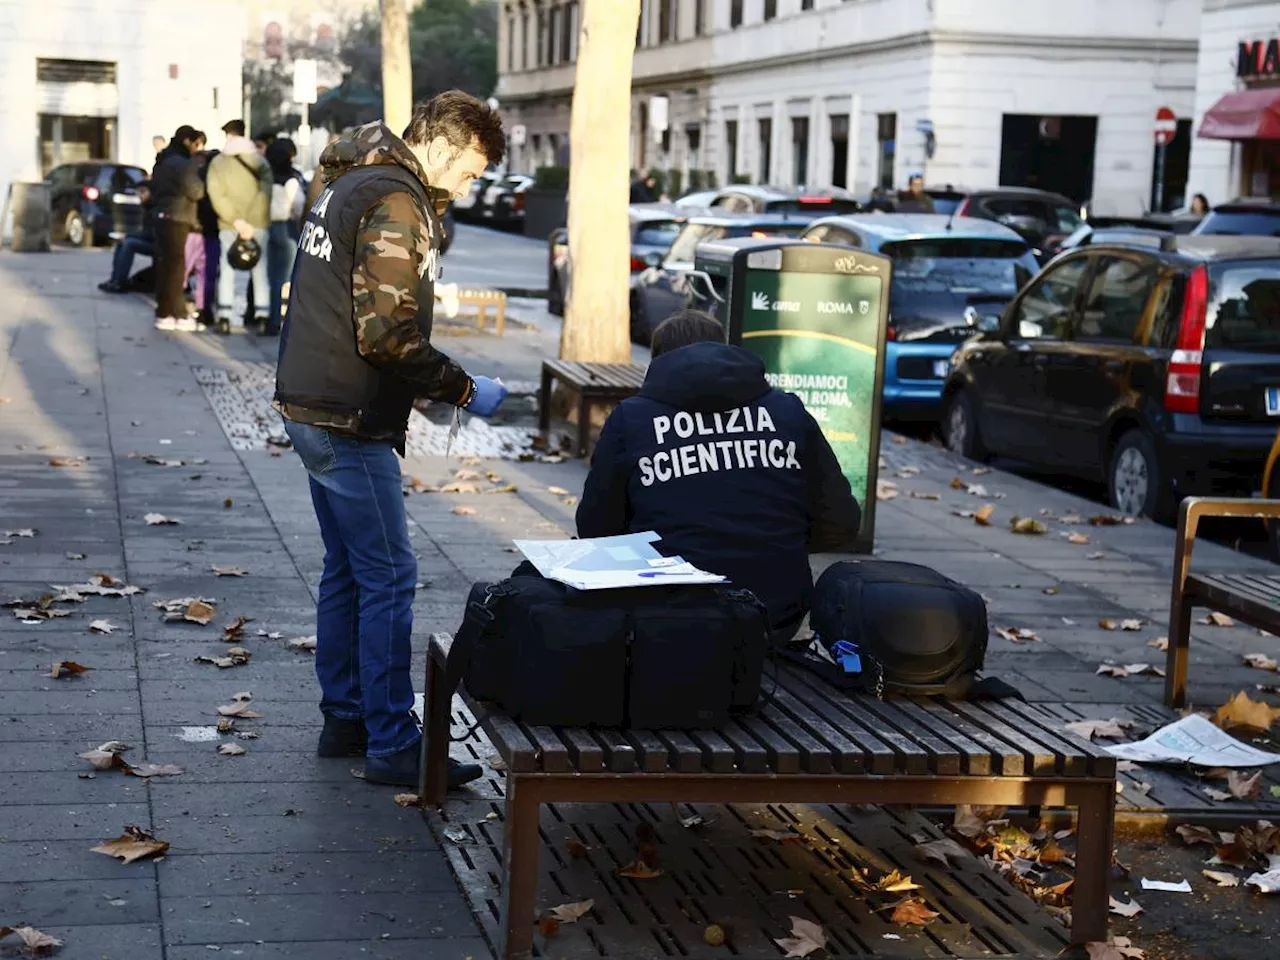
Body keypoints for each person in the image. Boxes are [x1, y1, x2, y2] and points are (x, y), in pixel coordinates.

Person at [274, 90, 509, 788]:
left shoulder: (349, 180)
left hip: (312, 401)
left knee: (348, 568)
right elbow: (386, 335)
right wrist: (466, 390)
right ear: (444, 142)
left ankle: (345, 718)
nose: (469, 185)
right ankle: (391, 740)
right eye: (471, 168)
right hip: (349, 415)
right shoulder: (397, 201)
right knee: (389, 575)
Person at [576, 310, 862, 642]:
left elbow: (595, 528)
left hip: (663, 617)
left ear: (658, 362)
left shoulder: (631, 419)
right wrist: (775, 542)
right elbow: (841, 522)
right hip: (775, 614)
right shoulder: (789, 412)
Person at [207, 119, 272, 333]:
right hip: (258, 224)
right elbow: (265, 193)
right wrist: (251, 222)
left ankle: (224, 316)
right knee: (260, 271)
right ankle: (263, 315)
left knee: (227, 270)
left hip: (228, 224)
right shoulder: (260, 162)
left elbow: (216, 194)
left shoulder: (217, 162)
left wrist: (236, 220)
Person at [149, 125, 206, 331]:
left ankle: (163, 312)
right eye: (196, 144)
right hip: (179, 217)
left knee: (165, 266)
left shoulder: (162, 161)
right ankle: (180, 313)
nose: (196, 149)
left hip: (161, 215)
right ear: (187, 142)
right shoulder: (183, 164)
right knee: (176, 267)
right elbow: (196, 191)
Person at [263, 138, 305, 336]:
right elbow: (298, 205)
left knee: (272, 277)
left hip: (267, 226)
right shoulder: (291, 179)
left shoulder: (265, 177)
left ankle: (270, 319)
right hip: (287, 227)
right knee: (290, 277)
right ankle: (286, 320)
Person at [99, 181, 155, 293]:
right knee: (122, 241)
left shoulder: (154, 208)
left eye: (143, 192)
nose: (140, 196)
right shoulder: (147, 208)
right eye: (138, 192)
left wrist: (129, 236)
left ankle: (119, 282)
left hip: (157, 243)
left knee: (129, 243)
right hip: (152, 240)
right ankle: (115, 279)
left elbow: (151, 234)